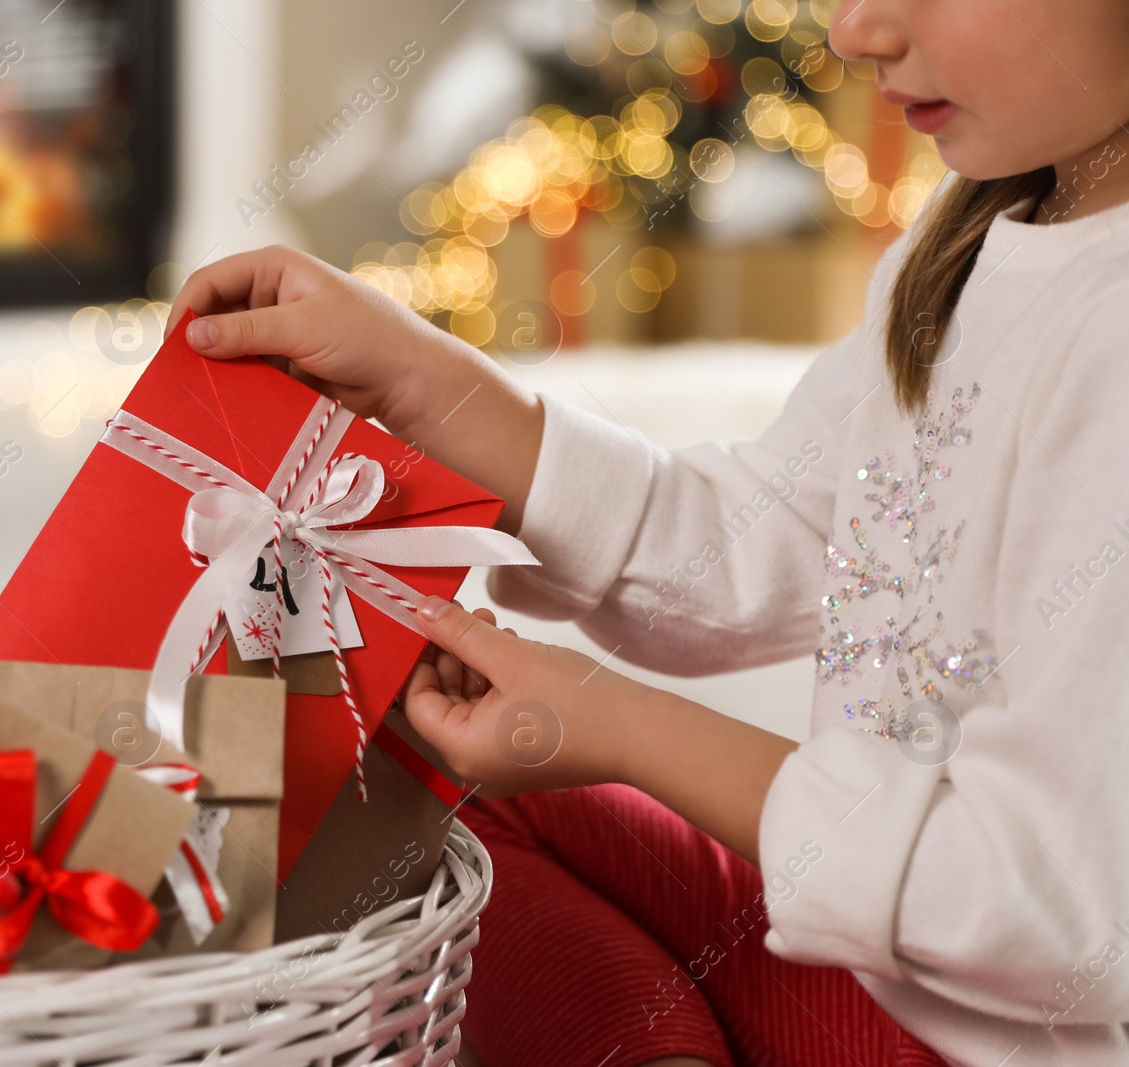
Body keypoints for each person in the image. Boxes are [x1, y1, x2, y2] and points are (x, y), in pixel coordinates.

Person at [168, 0, 1129, 1062]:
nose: (855, 32)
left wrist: (618, 724)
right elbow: (746, 545)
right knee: (435, 786)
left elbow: (1055, 912)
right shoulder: (970, 236)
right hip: (879, 972)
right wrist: (425, 377)